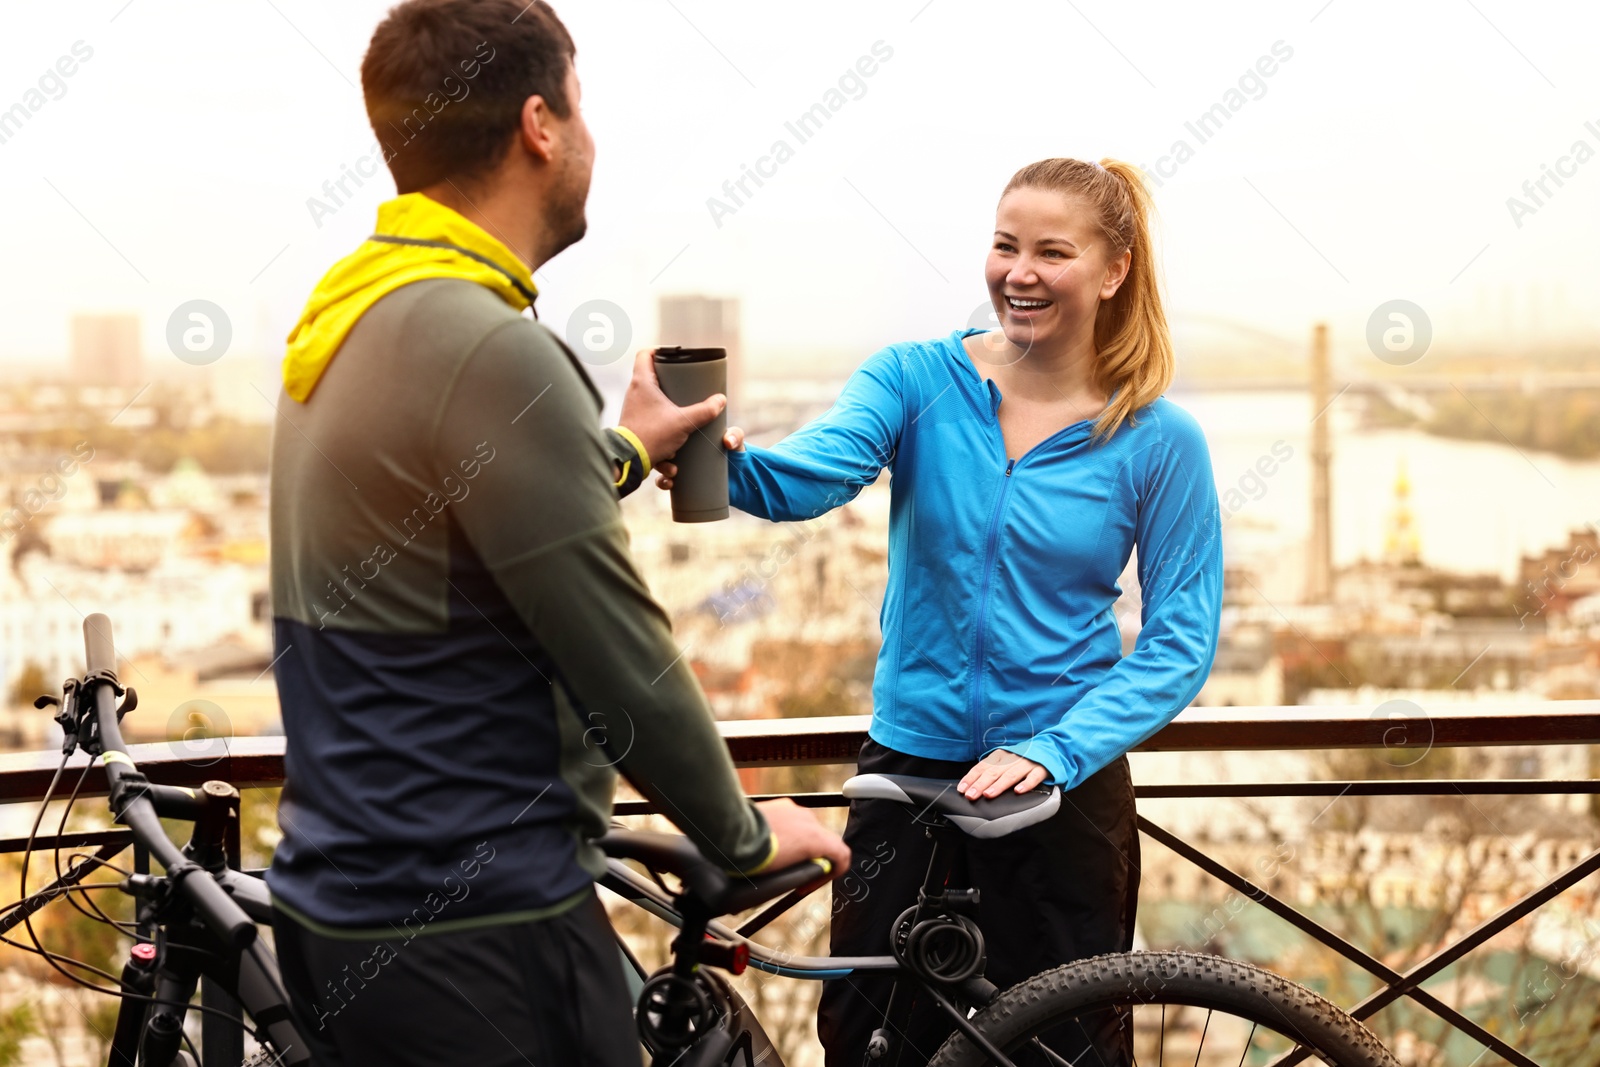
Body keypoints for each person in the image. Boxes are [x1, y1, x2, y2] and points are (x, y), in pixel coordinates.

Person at [264, 2, 848, 1064]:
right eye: (581, 108)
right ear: (540, 124)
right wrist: (746, 833)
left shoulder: (358, 313)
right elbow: (618, 653)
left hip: (347, 900)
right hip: (481, 925)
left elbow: (461, 538)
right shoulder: (486, 346)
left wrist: (618, 447)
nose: (589, 138)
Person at [651, 158, 1224, 1065]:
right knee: (871, 1038)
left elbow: (1181, 643)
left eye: (1051, 251)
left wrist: (1054, 749)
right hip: (906, 773)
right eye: (1005, 246)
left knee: (1063, 1047)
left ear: (1114, 271)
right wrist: (716, 465)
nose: (1019, 271)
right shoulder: (916, 379)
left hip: (1060, 792)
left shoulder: (1157, 438)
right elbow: (822, 471)